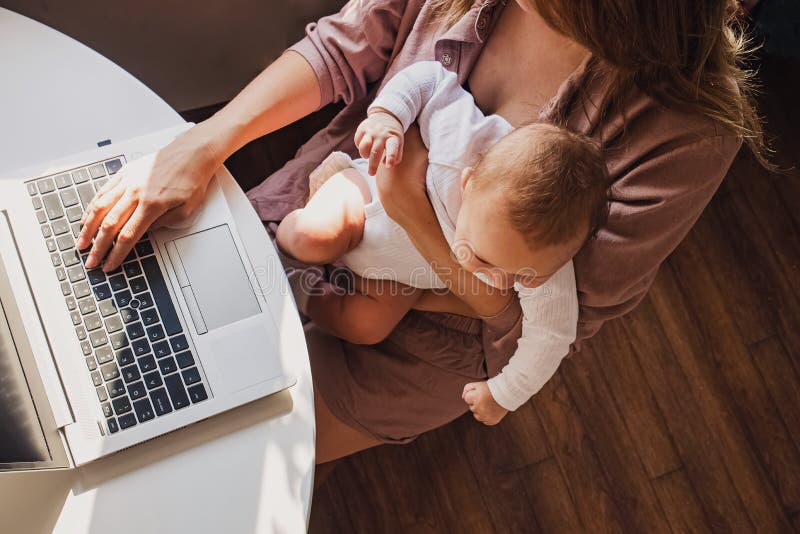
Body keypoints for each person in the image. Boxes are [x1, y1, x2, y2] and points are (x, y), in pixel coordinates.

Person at [76, 0, 766, 463]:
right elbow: (348, 44)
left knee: (219, 454)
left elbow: (539, 323)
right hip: (333, 201)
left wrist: (411, 222)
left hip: (438, 344)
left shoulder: (689, 129)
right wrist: (204, 145)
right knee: (131, 371)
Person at [276, 60, 609, 425]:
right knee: (315, 238)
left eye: (521, 278)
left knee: (366, 326)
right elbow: (429, 80)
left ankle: (299, 294)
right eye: (479, 256)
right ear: (468, 183)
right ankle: (281, 243)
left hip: (400, 275)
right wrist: (388, 117)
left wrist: (504, 394)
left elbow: (551, 335)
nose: (496, 280)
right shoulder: (463, 144)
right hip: (366, 204)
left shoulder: (550, 263)